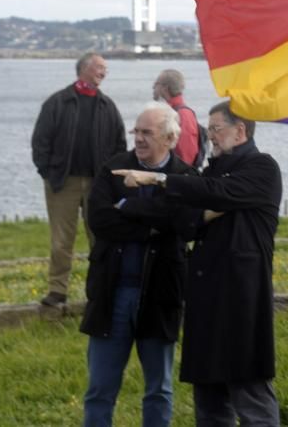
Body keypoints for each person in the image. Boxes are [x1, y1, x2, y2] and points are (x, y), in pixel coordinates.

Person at [114, 101, 282, 426]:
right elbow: (183, 214)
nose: (211, 137)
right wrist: (127, 205)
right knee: (209, 400)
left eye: (216, 129)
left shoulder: (262, 168)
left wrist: (157, 179)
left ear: (240, 130)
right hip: (206, 299)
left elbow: (216, 192)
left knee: (251, 396)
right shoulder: (214, 170)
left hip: (240, 302)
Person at [81, 102, 196, 426]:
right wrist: (153, 225)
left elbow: (182, 222)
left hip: (160, 295)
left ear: (170, 139)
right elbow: (100, 221)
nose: (139, 138)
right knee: (100, 389)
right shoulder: (114, 169)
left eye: (147, 132)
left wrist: (127, 206)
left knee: (159, 389)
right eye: (137, 131)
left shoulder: (184, 177)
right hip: (112, 294)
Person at [31, 52, 126, 307]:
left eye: (105, 68)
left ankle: (101, 289)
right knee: (62, 240)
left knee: (100, 237)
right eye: (100, 67)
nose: (104, 72)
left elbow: (119, 145)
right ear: (84, 69)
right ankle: (57, 290)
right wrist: (48, 174)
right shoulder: (58, 102)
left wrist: (111, 180)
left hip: (98, 184)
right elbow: (40, 141)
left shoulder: (108, 106)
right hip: (63, 183)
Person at [152, 68, 202, 167]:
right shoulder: (172, 112)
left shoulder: (182, 114)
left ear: (165, 88)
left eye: (156, 83)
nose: (153, 87)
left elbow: (186, 154)